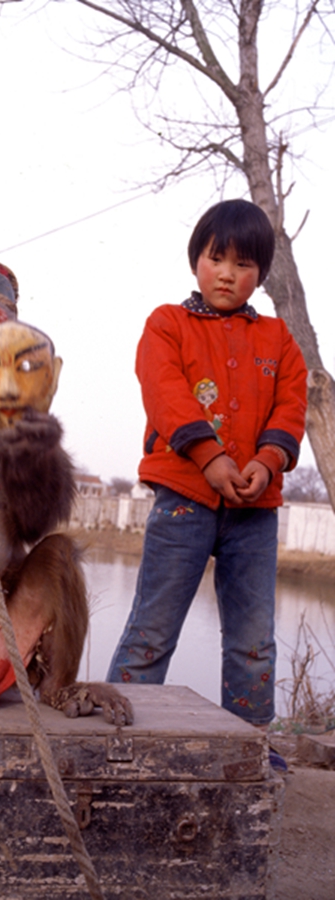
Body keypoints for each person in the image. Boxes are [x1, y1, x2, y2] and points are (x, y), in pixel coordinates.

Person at [107, 199, 307, 748]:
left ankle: (251, 746)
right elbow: (165, 392)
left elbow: (291, 406)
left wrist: (267, 464)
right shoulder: (167, 324)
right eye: (217, 258)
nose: (228, 274)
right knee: (152, 629)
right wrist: (211, 458)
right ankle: (115, 741)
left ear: (261, 274)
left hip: (254, 512)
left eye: (243, 265)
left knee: (253, 642)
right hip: (184, 499)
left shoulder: (280, 341)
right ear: (197, 259)